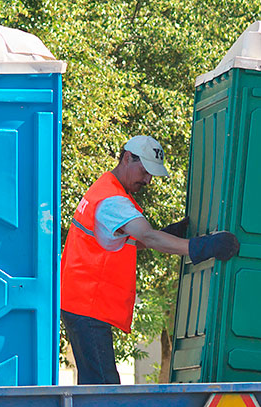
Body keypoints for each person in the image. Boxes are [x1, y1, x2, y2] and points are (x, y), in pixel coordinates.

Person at [59, 135, 239, 384]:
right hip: (87, 305)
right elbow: (148, 237)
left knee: (96, 384)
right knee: (103, 389)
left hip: (81, 302)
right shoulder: (114, 202)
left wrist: (169, 234)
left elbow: (135, 241)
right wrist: (202, 247)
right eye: (144, 171)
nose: (147, 180)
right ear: (126, 158)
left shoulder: (104, 189)